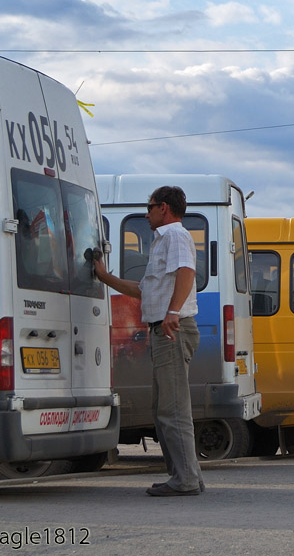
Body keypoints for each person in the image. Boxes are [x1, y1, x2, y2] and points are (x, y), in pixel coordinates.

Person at [93, 186, 203, 497]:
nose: (147, 212)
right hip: (165, 330)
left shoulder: (175, 236)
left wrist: (172, 311)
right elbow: (144, 289)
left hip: (172, 329)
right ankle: (186, 474)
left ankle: (186, 480)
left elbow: (186, 271)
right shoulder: (162, 241)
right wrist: (105, 278)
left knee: (172, 409)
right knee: (164, 408)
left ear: (164, 208)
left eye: (150, 206)